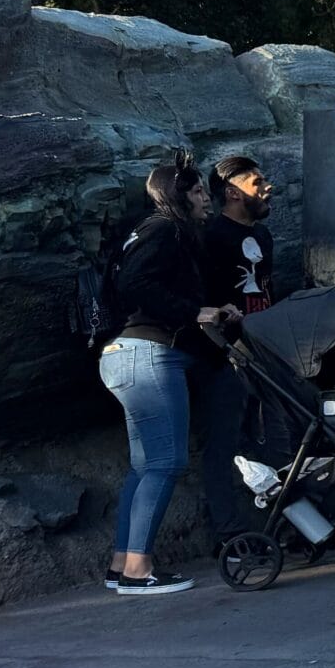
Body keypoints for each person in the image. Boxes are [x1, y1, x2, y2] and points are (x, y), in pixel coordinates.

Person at [100, 157, 242, 595]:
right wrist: (193, 311)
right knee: (165, 463)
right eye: (199, 192)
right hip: (148, 355)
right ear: (179, 195)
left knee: (145, 466)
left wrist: (213, 310)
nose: (207, 200)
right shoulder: (165, 229)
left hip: (130, 355)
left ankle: (122, 563)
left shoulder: (150, 230)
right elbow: (135, 286)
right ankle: (138, 572)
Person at [194, 153, 280, 542]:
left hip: (264, 348)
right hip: (223, 353)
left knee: (277, 433)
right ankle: (228, 532)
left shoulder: (262, 235)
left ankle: (285, 522)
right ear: (232, 192)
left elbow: (266, 287)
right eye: (256, 182)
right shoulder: (212, 237)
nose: (266, 188)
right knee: (225, 439)